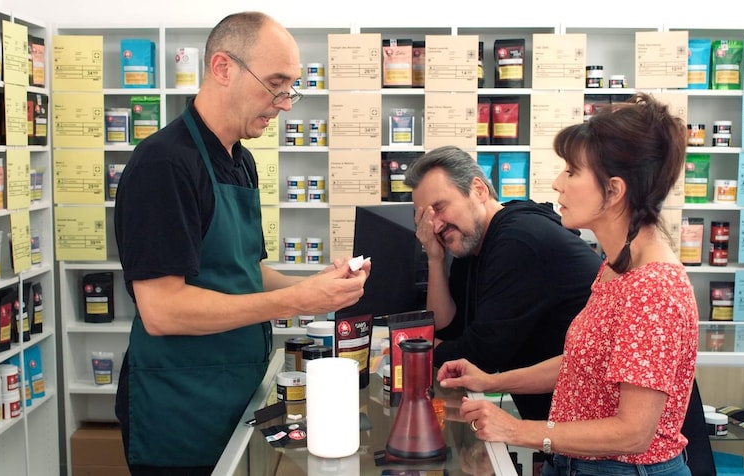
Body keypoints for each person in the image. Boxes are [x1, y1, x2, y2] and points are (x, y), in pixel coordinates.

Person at [113, 12, 370, 475]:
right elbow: (162, 309)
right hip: (182, 405)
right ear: (222, 68)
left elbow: (243, 271)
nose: (285, 103)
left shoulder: (240, 160)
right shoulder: (165, 166)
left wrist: (314, 286)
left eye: (291, 87)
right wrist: (294, 300)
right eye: (275, 84)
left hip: (236, 388)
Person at [437, 93, 699, 476]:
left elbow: (634, 432)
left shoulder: (653, 287)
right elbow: (583, 365)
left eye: (572, 172)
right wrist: (491, 380)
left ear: (614, 191)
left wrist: (519, 430)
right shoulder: (616, 267)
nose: (557, 184)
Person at [403, 145, 602, 421]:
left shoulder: (518, 240)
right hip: (561, 427)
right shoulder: (473, 242)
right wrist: (435, 259)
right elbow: (451, 330)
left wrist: (415, 347)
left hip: (594, 431)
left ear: (479, 190)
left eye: (439, 208)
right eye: (425, 216)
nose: (434, 225)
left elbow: (479, 354)